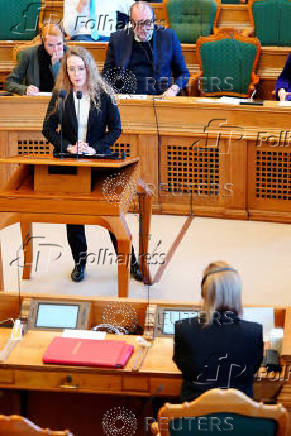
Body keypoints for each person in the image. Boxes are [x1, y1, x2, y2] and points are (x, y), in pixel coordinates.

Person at [42, 46, 142, 282]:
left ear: (88, 68)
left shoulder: (104, 93)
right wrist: (67, 146)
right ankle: (80, 263)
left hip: (99, 163)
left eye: (80, 69)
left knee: (111, 216)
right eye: (71, 70)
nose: (76, 74)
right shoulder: (61, 94)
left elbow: (116, 129)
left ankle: (129, 261)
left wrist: (95, 148)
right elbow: (47, 128)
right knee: (74, 217)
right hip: (71, 165)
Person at [173, 261, 264, 402]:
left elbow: (181, 365)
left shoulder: (183, 328)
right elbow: (254, 368)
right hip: (240, 417)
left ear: (204, 292)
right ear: (237, 293)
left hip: (194, 418)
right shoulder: (254, 331)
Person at [103, 1, 189, 96]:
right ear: (131, 22)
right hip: (126, 98)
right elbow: (107, 74)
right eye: (139, 24)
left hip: (161, 96)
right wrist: (111, 91)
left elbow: (183, 73)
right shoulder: (117, 39)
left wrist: (173, 89)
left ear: (154, 20)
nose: (144, 28)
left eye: (148, 23)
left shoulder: (168, 37)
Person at [5, 23, 64, 95]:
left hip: (62, 103)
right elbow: (9, 83)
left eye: (59, 44)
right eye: (50, 45)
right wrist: (25, 89)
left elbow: (66, 88)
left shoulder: (70, 56)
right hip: (36, 101)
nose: (56, 49)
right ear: (43, 43)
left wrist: (56, 66)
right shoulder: (29, 55)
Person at [63, 0, 134, 42]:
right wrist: (81, 6)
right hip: (81, 39)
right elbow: (69, 30)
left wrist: (127, 31)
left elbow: (136, 9)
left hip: (107, 39)